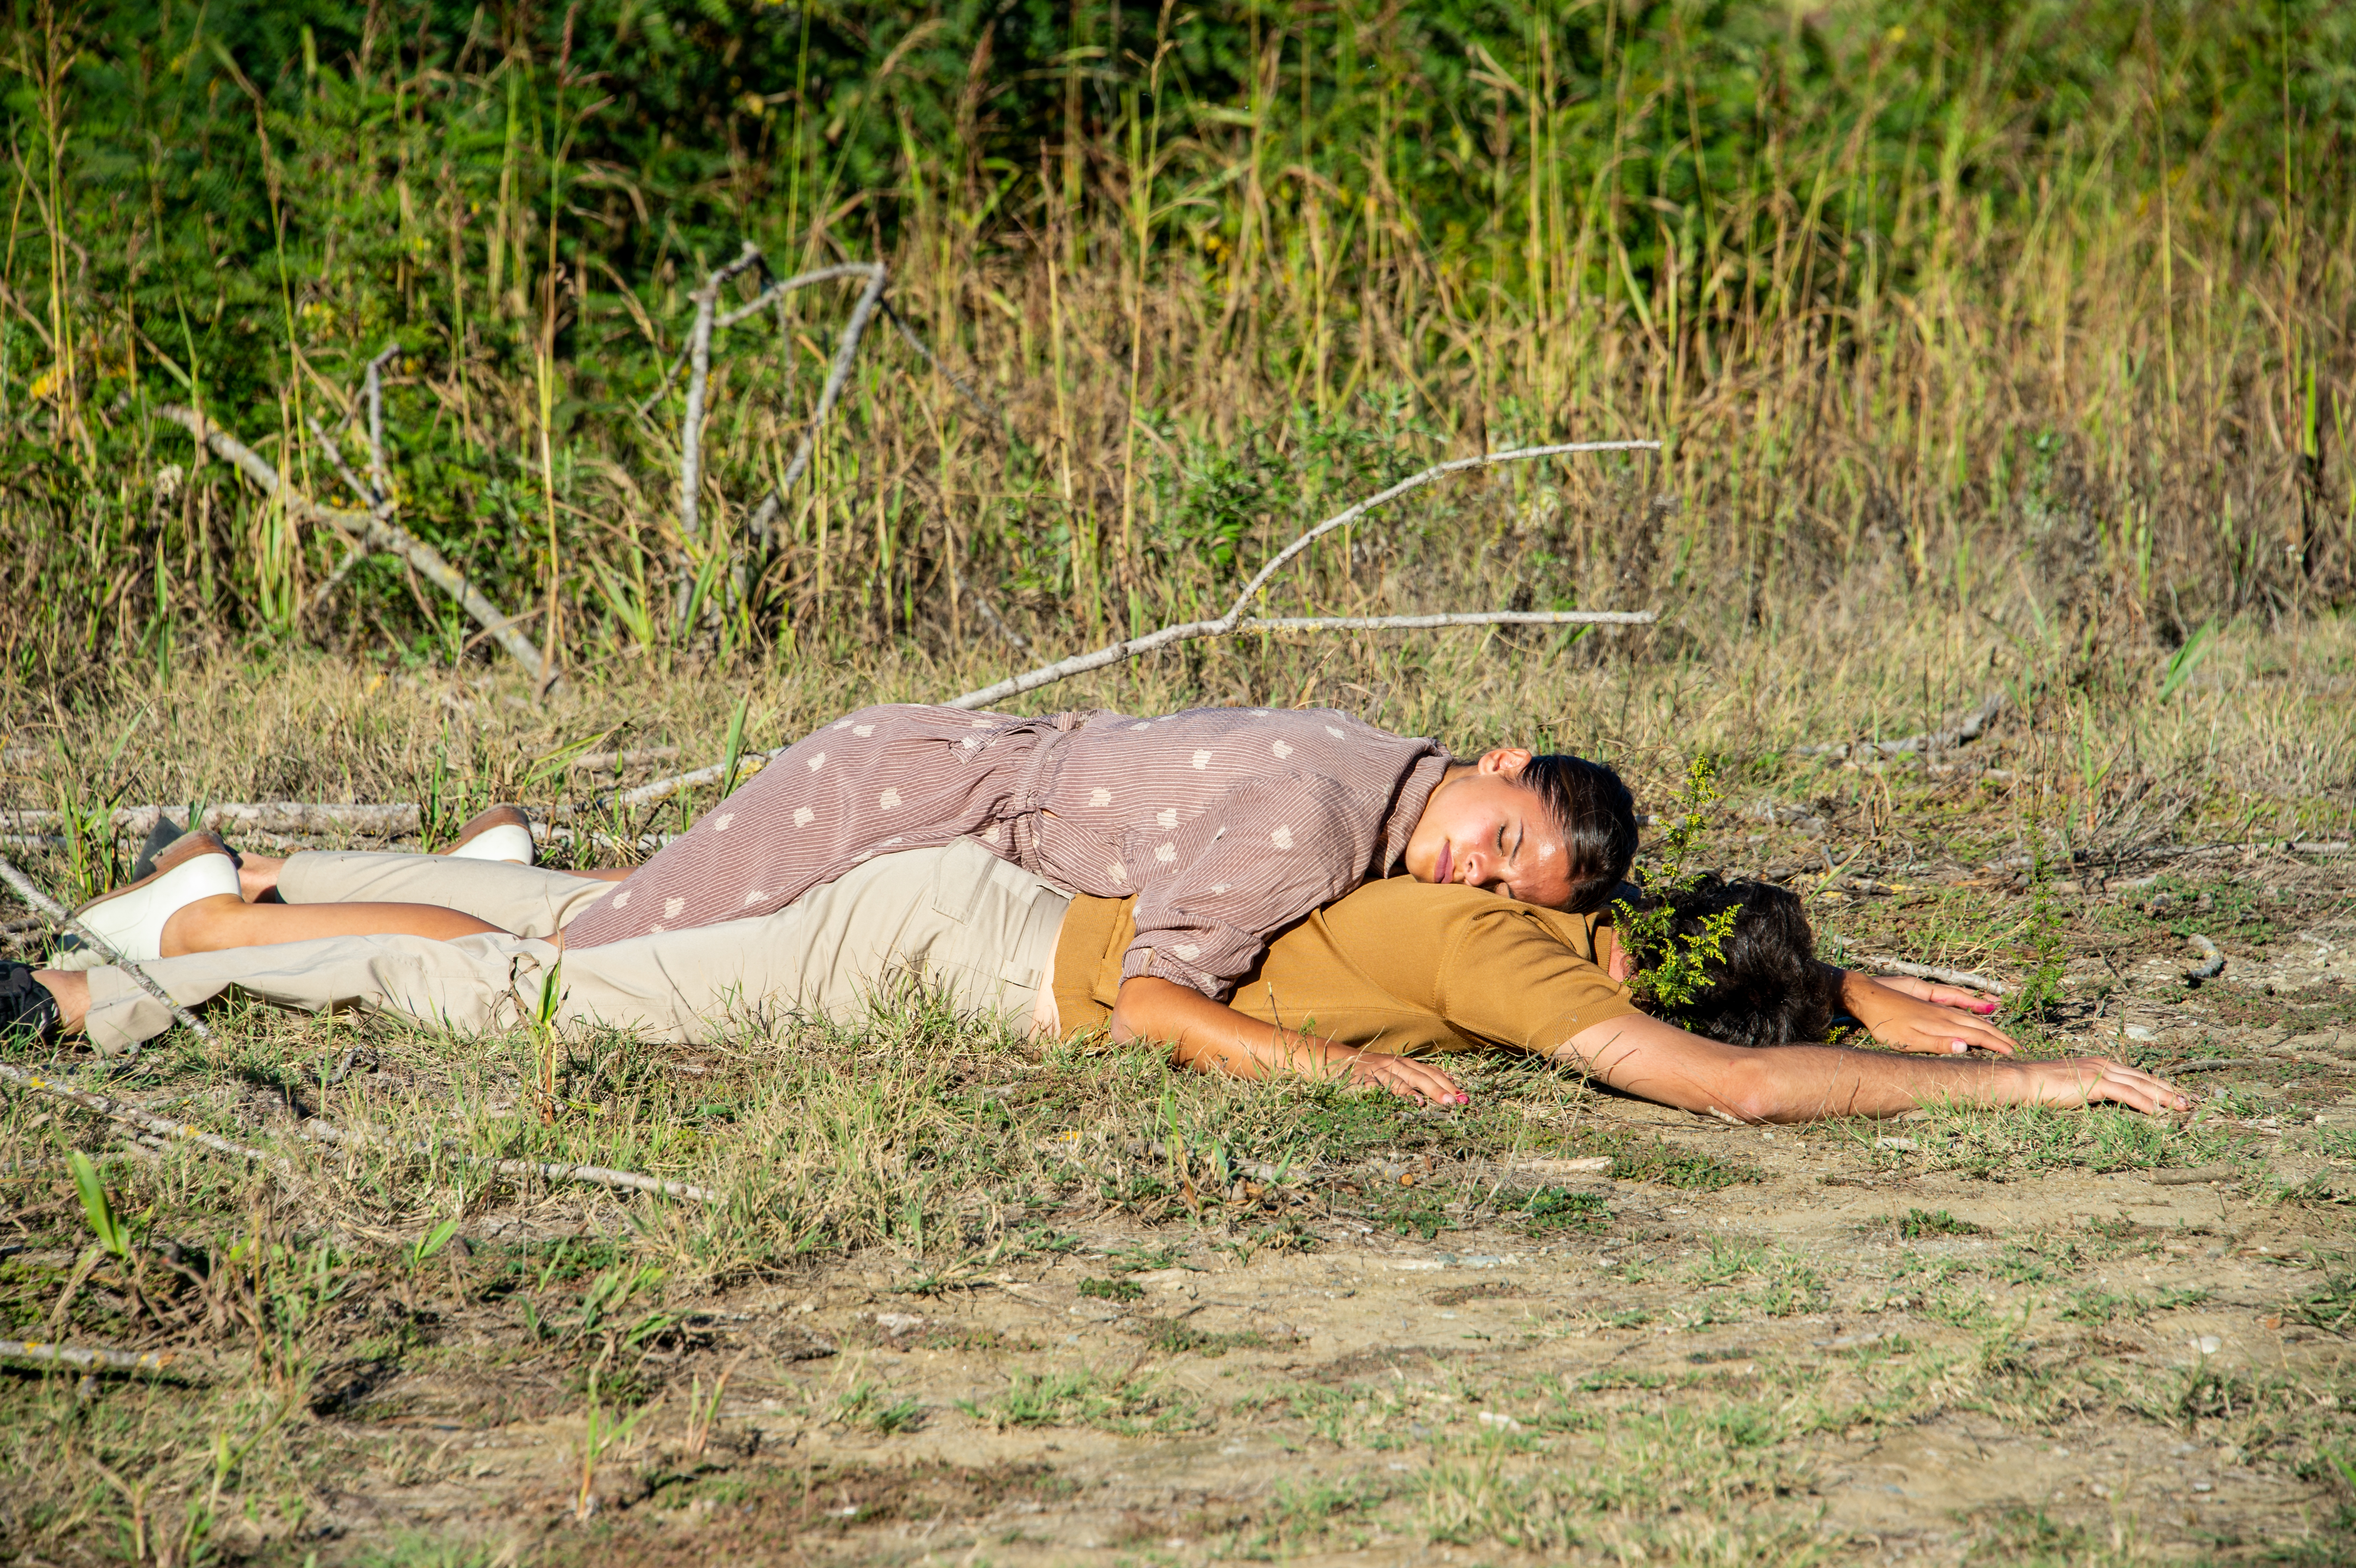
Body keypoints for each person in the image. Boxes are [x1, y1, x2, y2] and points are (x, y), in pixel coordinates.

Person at [7, 839, 2187, 1122]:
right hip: (962, 954)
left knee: (576, 907)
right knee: (523, 996)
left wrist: (1866, 989)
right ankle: (186, 944)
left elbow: (1729, 981)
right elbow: (1708, 1084)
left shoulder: (1502, 898)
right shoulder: (1506, 962)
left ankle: (268, 875)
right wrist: (2034, 1089)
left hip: (959, 902)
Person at [69, 706, 1640, 1098]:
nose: (1475, 876)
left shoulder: (1372, 761)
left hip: (912, 773)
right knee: (589, 956)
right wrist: (1341, 1066)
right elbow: (1159, 999)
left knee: (617, 909)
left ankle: (274, 877)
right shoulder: (1320, 826)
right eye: (1501, 840)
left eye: (1510, 884)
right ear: (1498, 760)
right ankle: (200, 945)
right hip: (904, 809)